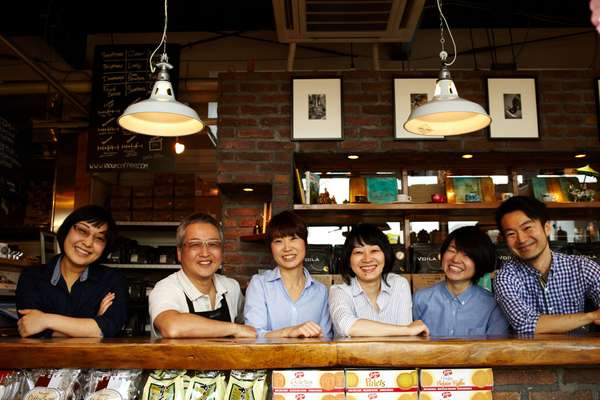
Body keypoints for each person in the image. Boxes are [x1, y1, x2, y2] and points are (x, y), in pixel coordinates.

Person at [16, 205, 127, 338]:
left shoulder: (112, 279)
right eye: (82, 231)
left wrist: (46, 320)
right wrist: (92, 325)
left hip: (93, 359)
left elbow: (110, 327)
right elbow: (29, 327)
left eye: (99, 238)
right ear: (66, 230)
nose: (88, 243)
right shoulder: (32, 277)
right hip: (43, 358)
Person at [493, 196, 600, 334]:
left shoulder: (582, 267)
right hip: (530, 355)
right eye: (511, 234)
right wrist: (591, 316)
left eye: (527, 228)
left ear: (547, 227)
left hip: (580, 354)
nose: (521, 239)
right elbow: (526, 324)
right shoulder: (505, 277)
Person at [148, 213, 256, 338]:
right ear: (179, 252)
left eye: (213, 244)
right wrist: (235, 329)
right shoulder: (166, 288)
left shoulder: (231, 287)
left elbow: (249, 327)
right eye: (195, 245)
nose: (205, 253)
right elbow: (172, 327)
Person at [329, 223, 429, 337]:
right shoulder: (339, 291)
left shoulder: (399, 284)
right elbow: (347, 326)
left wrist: (406, 331)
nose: (367, 259)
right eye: (358, 252)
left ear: (385, 255)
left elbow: (404, 340)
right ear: (348, 259)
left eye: (374, 251)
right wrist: (407, 330)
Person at [244, 210, 332, 338]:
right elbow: (253, 336)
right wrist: (288, 332)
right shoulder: (259, 285)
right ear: (271, 247)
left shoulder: (321, 291)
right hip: (268, 358)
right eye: (278, 241)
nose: (287, 248)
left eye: (294, 238)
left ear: (305, 243)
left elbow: (326, 339)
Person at [412, 226, 509, 336]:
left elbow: (496, 350)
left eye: (467, 255)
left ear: (481, 261)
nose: (456, 259)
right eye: (452, 250)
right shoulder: (420, 299)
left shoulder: (493, 306)